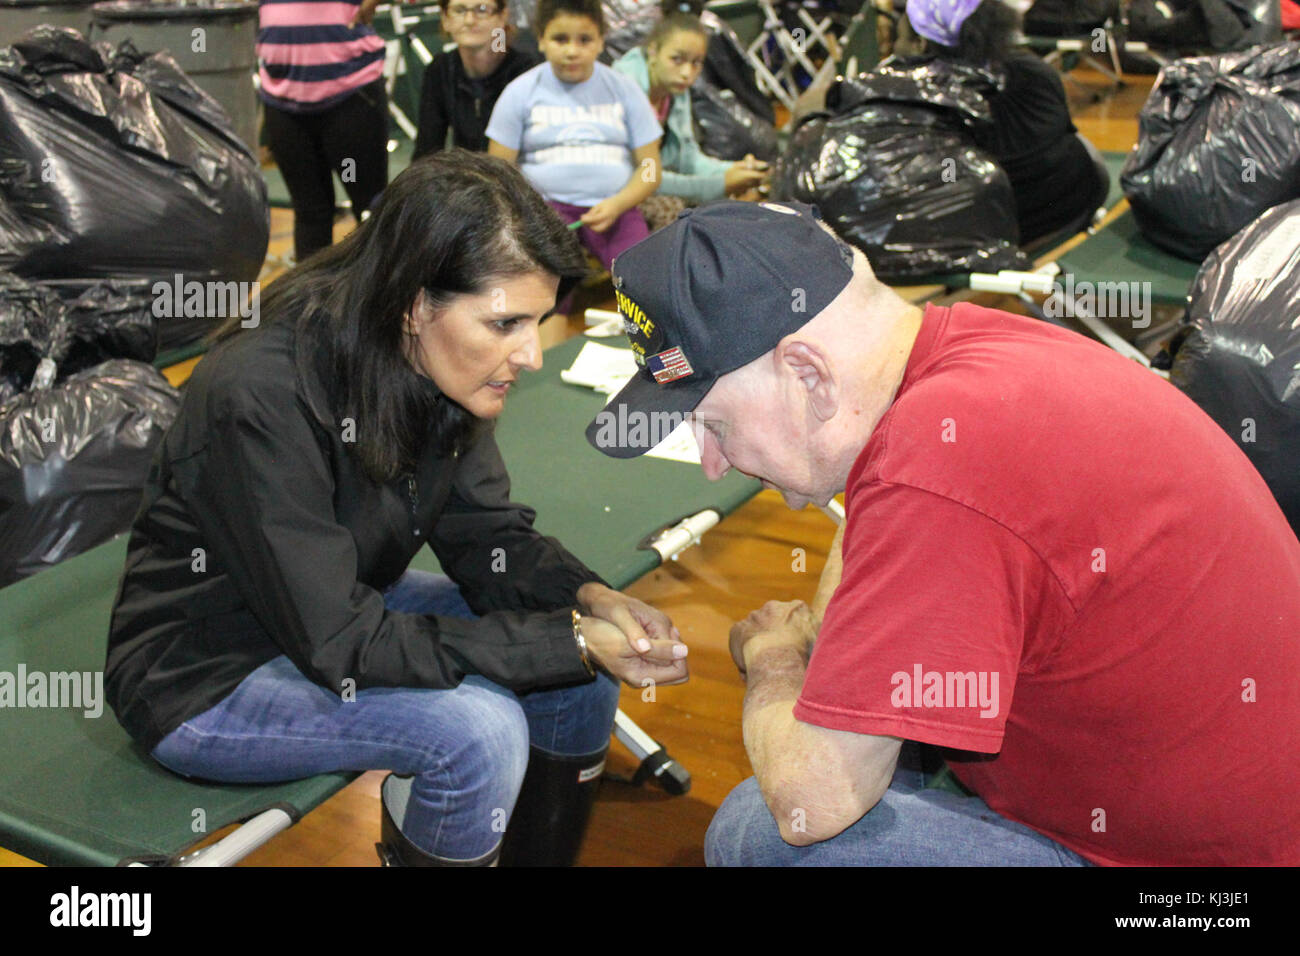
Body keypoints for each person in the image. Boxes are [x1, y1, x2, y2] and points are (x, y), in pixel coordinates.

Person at [585, 199, 1300, 866]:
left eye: (713, 425)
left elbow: (812, 803)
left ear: (806, 372)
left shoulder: (934, 465)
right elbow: (882, 515)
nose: (713, 466)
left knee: (766, 836)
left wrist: (774, 661)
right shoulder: (966, 356)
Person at [104, 151, 690, 868]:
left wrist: (589, 599)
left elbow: (487, 538)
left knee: (579, 673)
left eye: (539, 321)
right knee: (479, 732)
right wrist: (562, 639)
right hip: (205, 676)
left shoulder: (432, 361)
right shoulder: (257, 392)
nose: (532, 354)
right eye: (506, 324)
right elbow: (342, 644)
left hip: (335, 608)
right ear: (415, 304)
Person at [901, 0, 1106, 243]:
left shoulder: (922, 98)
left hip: (996, 229)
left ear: (921, 42)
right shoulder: (1036, 69)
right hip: (1070, 205)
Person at [486, 0, 663, 272]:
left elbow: (650, 169)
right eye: (560, 39)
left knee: (647, 284)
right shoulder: (518, 92)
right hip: (543, 216)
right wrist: (535, 213)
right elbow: (498, 172)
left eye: (584, 40)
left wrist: (618, 204)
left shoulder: (625, 90)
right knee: (545, 305)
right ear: (541, 40)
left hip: (616, 211)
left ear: (601, 41)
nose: (572, 51)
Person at [612, 1, 768, 230]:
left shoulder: (674, 90)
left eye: (696, 63)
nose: (687, 73)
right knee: (673, 210)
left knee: (728, 205)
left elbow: (689, 160)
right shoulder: (626, 88)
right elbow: (643, 179)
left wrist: (733, 170)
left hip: (648, 183)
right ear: (653, 51)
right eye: (677, 59)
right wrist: (720, 184)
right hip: (614, 190)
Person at [257, 0, 391, 262]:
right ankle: (313, 301)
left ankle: (381, 299)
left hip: (351, 91)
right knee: (309, 212)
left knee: (372, 210)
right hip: (282, 98)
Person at [413, 0, 542, 158]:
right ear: (445, 19)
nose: (469, 20)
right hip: (466, 176)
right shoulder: (440, 69)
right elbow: (426, 151)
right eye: (459, 10)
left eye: (482, 10)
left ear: (502, 16)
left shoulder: (526, 71)